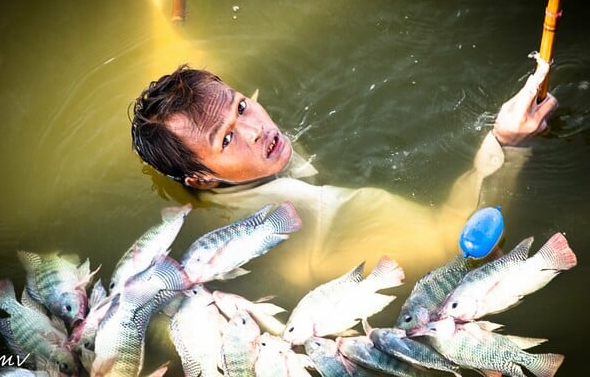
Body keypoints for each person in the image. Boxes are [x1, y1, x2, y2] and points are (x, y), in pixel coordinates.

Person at [130, 54, 557, 293]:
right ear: (200, 180)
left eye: (241, 106)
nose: (258, 130)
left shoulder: (224, 194)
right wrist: (505, 144)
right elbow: (455, 242)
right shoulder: (308, 213)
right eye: (226, 139)